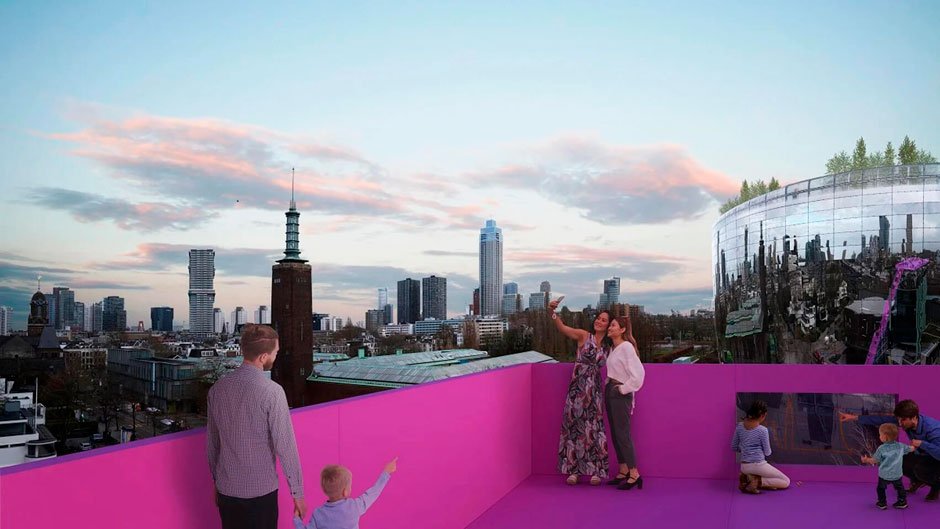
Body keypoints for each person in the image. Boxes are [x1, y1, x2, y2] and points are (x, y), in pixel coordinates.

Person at [207, 324, 307, 529]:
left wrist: (217, 481)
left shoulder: (217, 390)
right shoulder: (272, 392)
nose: (276, 356)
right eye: (275, 352)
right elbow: (285, 447)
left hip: (227, 491)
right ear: (263, 357)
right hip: (261, 494)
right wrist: (297, 493)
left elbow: (212, 444)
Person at [547, 298, 610, 485]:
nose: (599, 321)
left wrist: (627, 329)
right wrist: (552, 311)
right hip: (578, 388)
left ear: (609, 325)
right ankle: (573, 471)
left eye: (604, 320)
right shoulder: (584, 336)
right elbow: (563, 328)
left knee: (595, 428)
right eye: (598, 318)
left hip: (595, 391)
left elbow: (627, 348)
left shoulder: (608, 346)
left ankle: (595, 471)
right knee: (574, 426)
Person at [840, 399, 940, 501]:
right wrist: (854, 417)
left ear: (914, 418)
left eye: (903, 420)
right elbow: (881, 419)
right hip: (925, 456)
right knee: (898, 458)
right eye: (898, 420)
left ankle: (936, 487)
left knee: (921, 469)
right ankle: (917, 480)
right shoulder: (906, 420)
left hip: (937, 459)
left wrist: (923, 444)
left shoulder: (933, 430)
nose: (900, 424)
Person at [294, 458, 398, 529]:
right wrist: (386, 472)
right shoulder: (354, 507)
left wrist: (297, 519)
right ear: (345, 492)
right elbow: (373, 492)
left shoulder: (318, 514)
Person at [605, 315, 645, 490]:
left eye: (613, 325)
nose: (610, 328)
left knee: (623, 434)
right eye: (610, 325)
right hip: (611, 391)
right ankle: (623, 470)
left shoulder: (626, 347)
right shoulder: (614, 348)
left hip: (620, 394)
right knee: (615, 433)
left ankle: (634, 473)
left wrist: (622, 389)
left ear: (622, 330)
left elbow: (639, 375)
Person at [731, 400, 790, 494]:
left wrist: (744, 450)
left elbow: (733, 447)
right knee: (786, 481)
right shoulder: (762, 430)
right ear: (762, 415)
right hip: (758, 465)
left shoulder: (739, 426)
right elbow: (767, 452)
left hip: (744, 467)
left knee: (771, 478)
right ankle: (755, 481)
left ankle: (747, 477)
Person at [861, 423, 913, 510]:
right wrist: (913, 445)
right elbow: (911, 449)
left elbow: (875, 460)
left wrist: (866, 460)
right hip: (897, 474)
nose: (879, 436)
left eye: (880, 435)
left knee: (881, 488)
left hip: (884, 474)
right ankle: (902, 501)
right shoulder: (900, 446)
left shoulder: (881, 449)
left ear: (885, 437)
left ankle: (882, 502)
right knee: (900, 488)